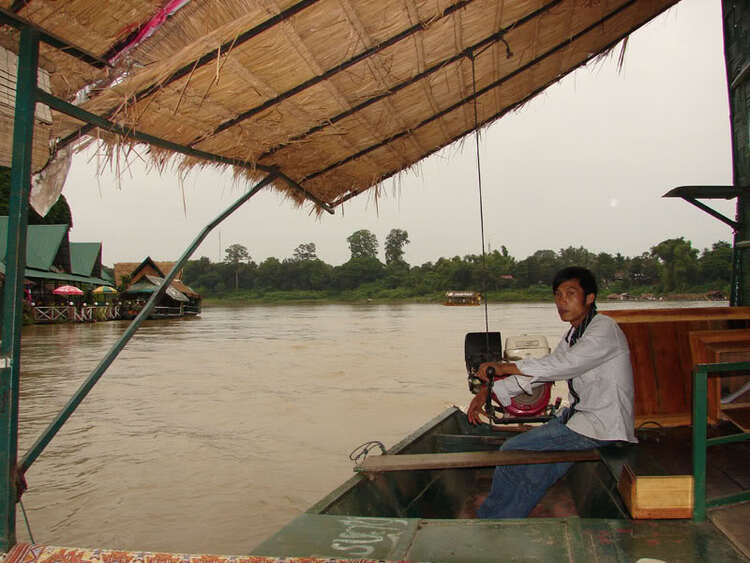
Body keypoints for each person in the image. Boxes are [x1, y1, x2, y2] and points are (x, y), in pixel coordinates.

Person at [467, 266, 637, 518]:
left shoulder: (604, 329)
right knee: (538, 473)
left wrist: (503, 366)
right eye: (557, 295)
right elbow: (542, 373)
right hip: (580, 419)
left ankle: (488, 521)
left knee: (511, 452)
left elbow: (560, 366)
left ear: (590, 298)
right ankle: (503, 520)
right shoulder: (573, 335)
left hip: (601, 427)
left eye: (570, 293)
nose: (562, 301)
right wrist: (488, 393)